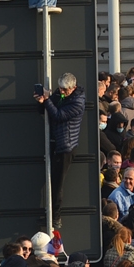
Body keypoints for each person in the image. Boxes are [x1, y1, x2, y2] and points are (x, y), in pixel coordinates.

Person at [35, 73, 84, 226]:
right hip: (56, 143)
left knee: (57, 183)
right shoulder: (60, 94)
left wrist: (48, 100)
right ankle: (51, 214)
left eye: (65, 90)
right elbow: (46, 110)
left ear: (73, 88)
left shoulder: (77, 102)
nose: (62, 92)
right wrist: (42, 101)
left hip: (66, 146)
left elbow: (57, 115)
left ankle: (56, 217)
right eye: (60, 89)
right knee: (51, 181)